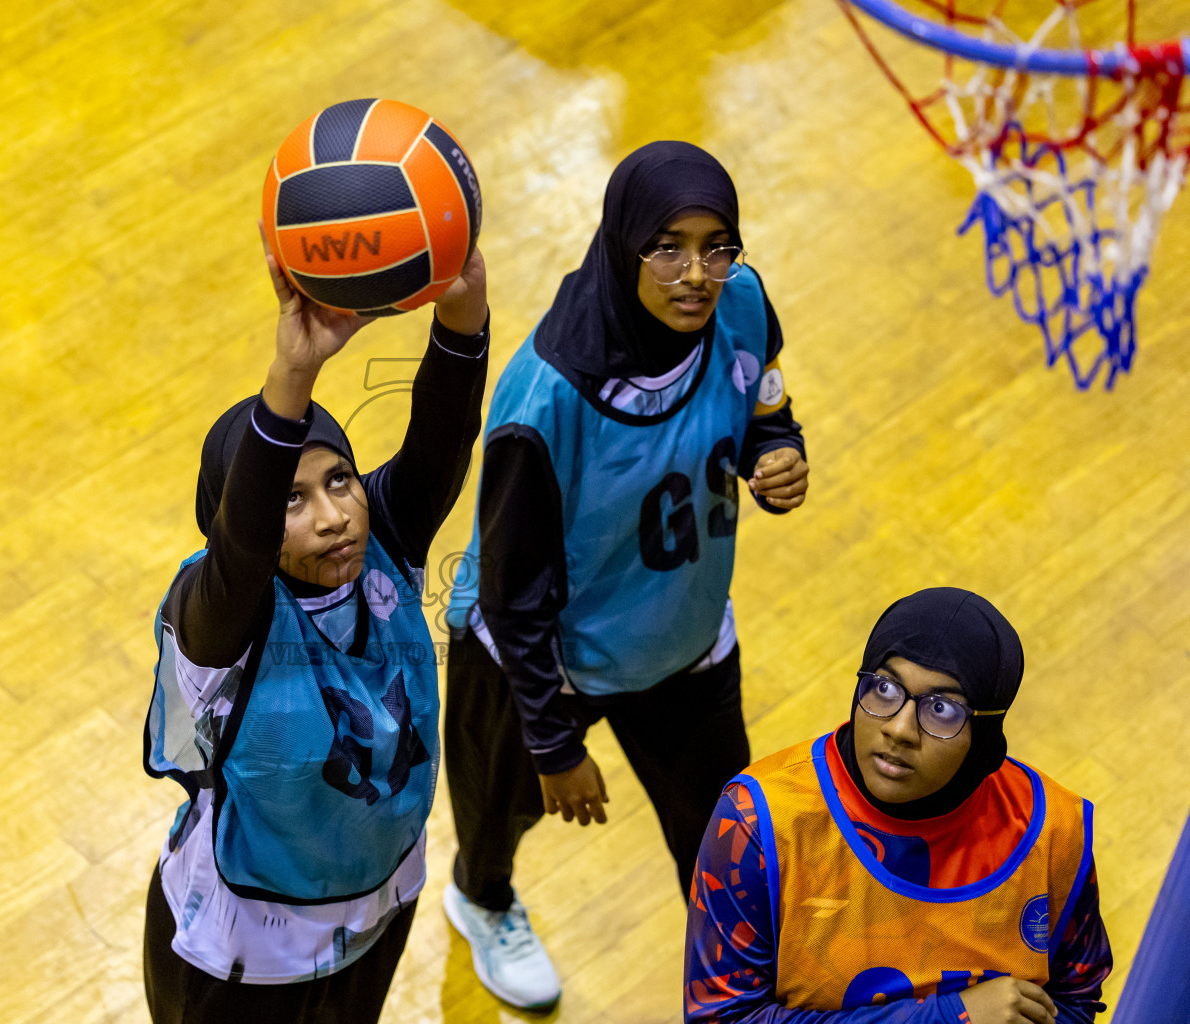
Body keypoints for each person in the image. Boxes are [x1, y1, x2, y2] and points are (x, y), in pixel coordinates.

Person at [441, 140, 808, 1010]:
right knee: (495, 822)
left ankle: (744, 991)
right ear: (622, 244)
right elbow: (512, 592)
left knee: (723, 846)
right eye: (668, 245)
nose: (696, 274)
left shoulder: (743, 305)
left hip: (684, 643)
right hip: (542, 659)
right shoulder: (545, 400)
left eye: (718, 245)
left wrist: (779, 451)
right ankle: (481, 902)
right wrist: (554, 743)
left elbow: (766, 404)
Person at [139, 229, 490, 1024]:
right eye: (293, 499)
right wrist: (295, 371)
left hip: (375, 902)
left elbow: (442, 437)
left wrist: (462, 317)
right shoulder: (220, 617)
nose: (334, 516)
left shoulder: (386, 542)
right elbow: (240, 542)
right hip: (242, 953)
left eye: (340, 479)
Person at [684, 588, 1112, 1023]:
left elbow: (1076, 1001)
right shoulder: (758, 821)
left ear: (985, 737)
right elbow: (722, 1017)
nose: (900, 729)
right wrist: (949, 1018)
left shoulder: (1054, 829)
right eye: (885, 688)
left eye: (942, 709)